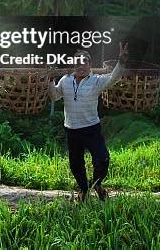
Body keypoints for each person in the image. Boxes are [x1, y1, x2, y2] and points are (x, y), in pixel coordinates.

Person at [49, 40, 129, 202]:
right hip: (71, 129)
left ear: (90, 65)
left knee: (102, 158)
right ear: (73, 65)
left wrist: (121, 61)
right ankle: (84, 189)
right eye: (77, 63)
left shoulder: (96, 81)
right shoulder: (65, 80)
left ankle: (98, 185)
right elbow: (54, 96)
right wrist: (50, 80)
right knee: (75, 164)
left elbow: (114, 77)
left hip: (91, 128)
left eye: (84, 63)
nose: (81, 66)